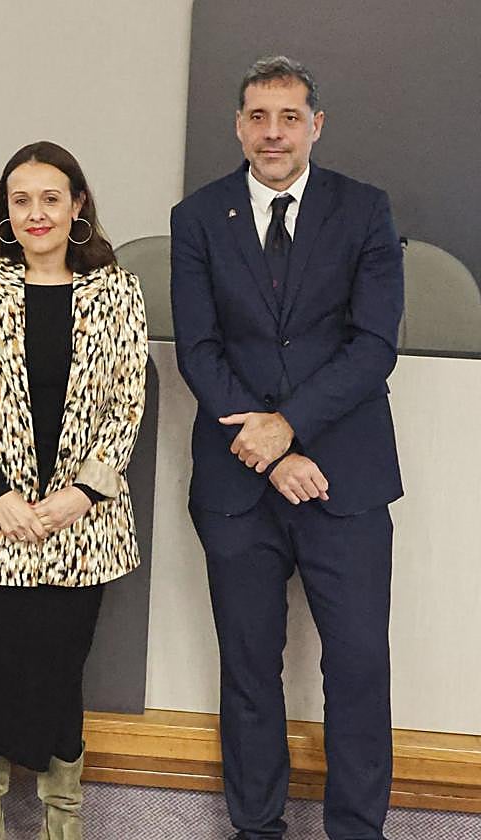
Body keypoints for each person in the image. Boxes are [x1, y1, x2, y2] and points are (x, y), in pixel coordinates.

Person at [170, 56, 403, 840]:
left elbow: (372, 347)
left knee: (360, 668)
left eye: (290, 117)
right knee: (248, 671)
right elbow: (199, 350)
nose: (274, 133)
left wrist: (288, 427)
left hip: (349, 478)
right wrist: (271, 451)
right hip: (238, 488)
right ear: (238, 125)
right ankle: (257, 827)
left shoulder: (366, 211)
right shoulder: (197, 217)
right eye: (259, 117)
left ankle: (358, 830)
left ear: (316, 125)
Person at [0, 141, 148, 840]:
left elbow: (127, 406)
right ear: (6, 210)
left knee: (60, 676)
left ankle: (63, 823)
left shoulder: (119, 291)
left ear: (78, 205)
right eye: (20, 200)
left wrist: (78, 497)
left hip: (81, 530)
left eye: (51, 198)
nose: (36, 213)